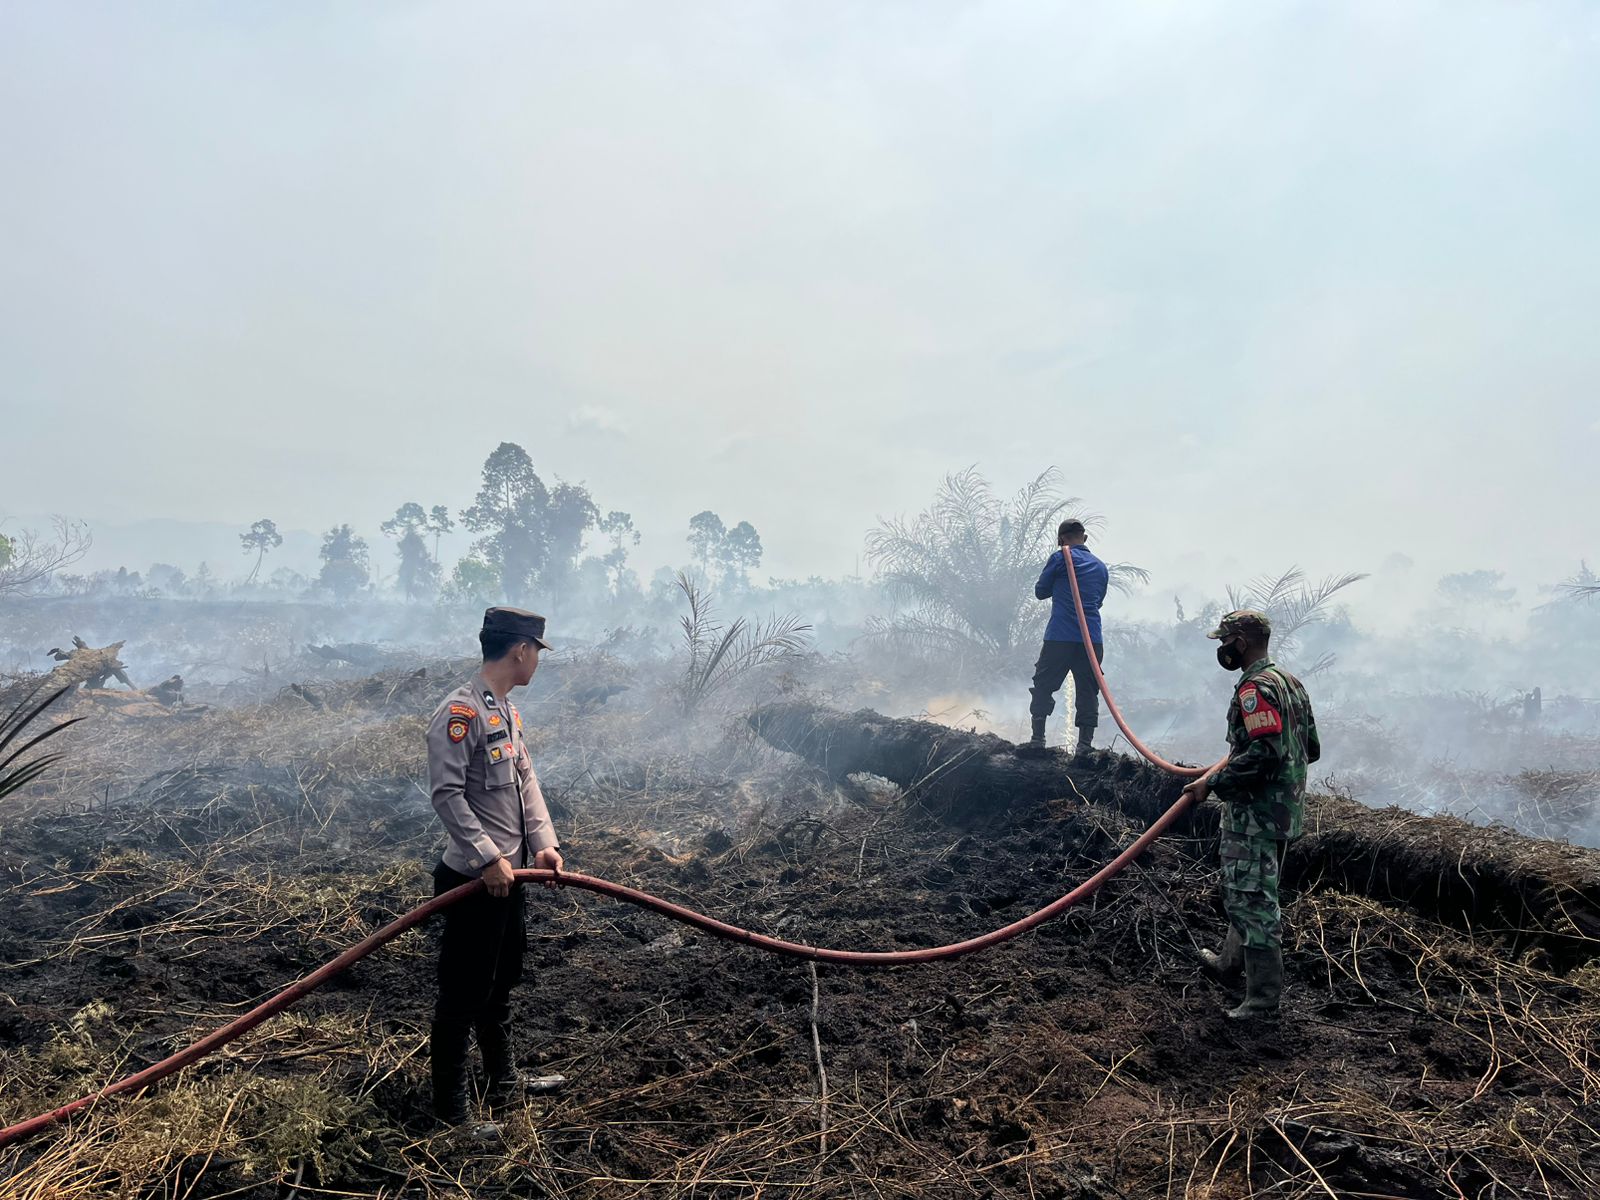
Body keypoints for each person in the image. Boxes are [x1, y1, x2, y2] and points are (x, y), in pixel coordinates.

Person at [426, 606, 565, 1131]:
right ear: (520, 650)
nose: (536, 663)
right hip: (473, 880)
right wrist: (488, 857)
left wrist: (544, 844)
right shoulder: (459, 713)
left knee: (500, 983)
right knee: (463, 995)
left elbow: (525, 783)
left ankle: (503, 1084)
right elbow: (448, 794)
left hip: (511, 877)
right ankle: (452, 1114)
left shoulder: (503, 711)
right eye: (537, 653)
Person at [1181, 610, 1320, 1019]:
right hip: (1282, 813)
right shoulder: (1289, 682)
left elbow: (1264, 752)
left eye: (1224, 641)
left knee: (1252, 901)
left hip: (1255, 817)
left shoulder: (1254, 689)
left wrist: (1215, 784)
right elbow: (1309, 748)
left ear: (1240, 642)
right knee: (1249, 891)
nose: (1222, 650)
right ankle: (1229, 963)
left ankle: (1261, 1000)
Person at [1028, 519, 1110, 758]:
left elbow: (1040, 591)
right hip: (1091, 640)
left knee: (1044, 684)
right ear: (1084, 538)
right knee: (1088, 691)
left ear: (1060, 539)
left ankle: (1037, 740)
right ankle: (1084, 747)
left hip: (1060, 638)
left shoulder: (1059, 558)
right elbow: (1099, 601)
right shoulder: (1101, 567)